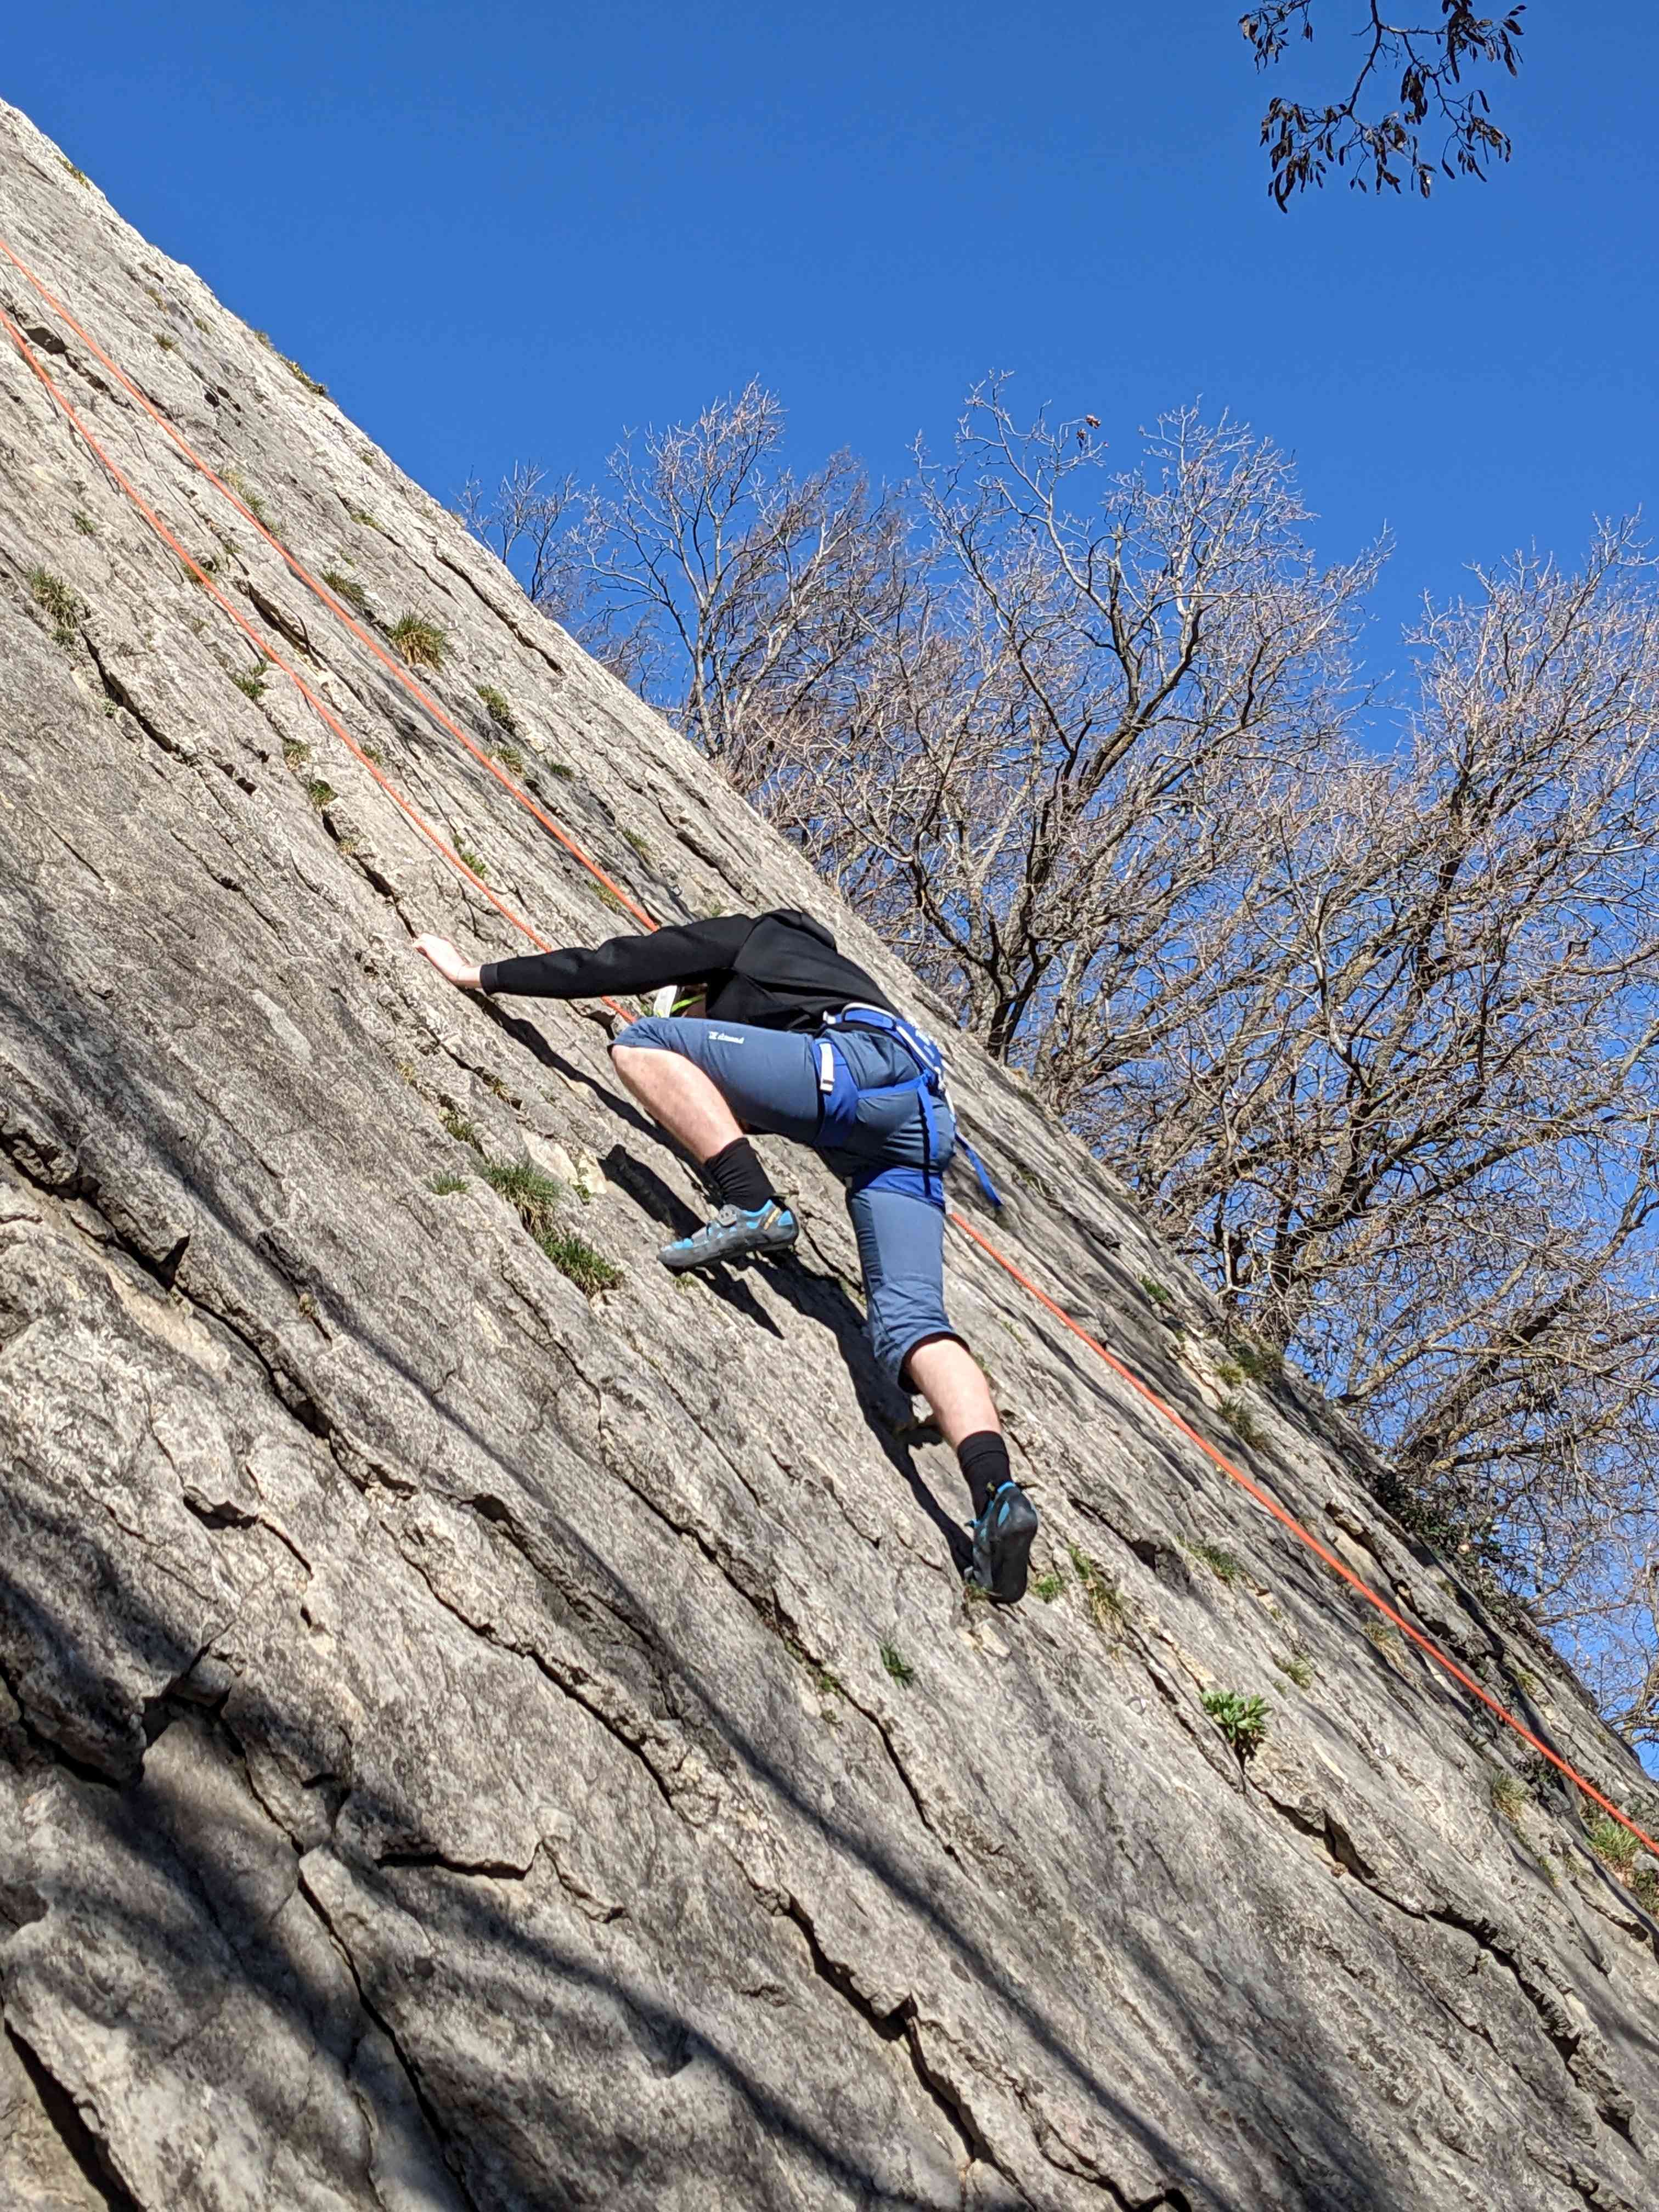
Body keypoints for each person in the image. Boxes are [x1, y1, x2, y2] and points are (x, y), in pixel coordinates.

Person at [414, 907, 1039, 1601]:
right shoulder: (826, 980)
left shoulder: (749, 938)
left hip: (851, 1069)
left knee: (643, 1043)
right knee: (914, 1321)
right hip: (921, 1120)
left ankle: (752, 1203)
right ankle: (996, 1495)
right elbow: (754, 1094)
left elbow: (617, 964)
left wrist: (481, 974)